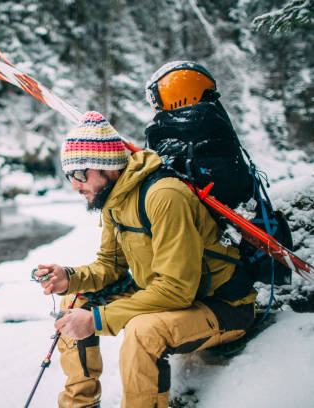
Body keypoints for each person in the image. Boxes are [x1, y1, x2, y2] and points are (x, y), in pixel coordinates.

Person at [34, 63, 256, 408]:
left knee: (142, 332)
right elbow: (111, 267)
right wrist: (70, 278)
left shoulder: (164, 195)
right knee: (72, 302)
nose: (76, 185)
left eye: (80, 174)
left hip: (222, 306)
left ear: (107, 166)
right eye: (69, 177)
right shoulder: (114, 199)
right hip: (170, 297)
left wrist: (96, 321)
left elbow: (177, 289)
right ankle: (80, 404)